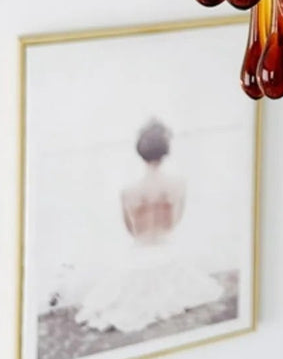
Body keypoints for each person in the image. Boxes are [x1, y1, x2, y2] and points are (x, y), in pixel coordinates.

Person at [74, 119, 223, 335]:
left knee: (113, 299)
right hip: (167, 253)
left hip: (138, 256)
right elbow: (174, 222)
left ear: (140, 151)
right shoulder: (178, 184)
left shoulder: (128, 191)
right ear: (166, 150)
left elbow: (131, 230)